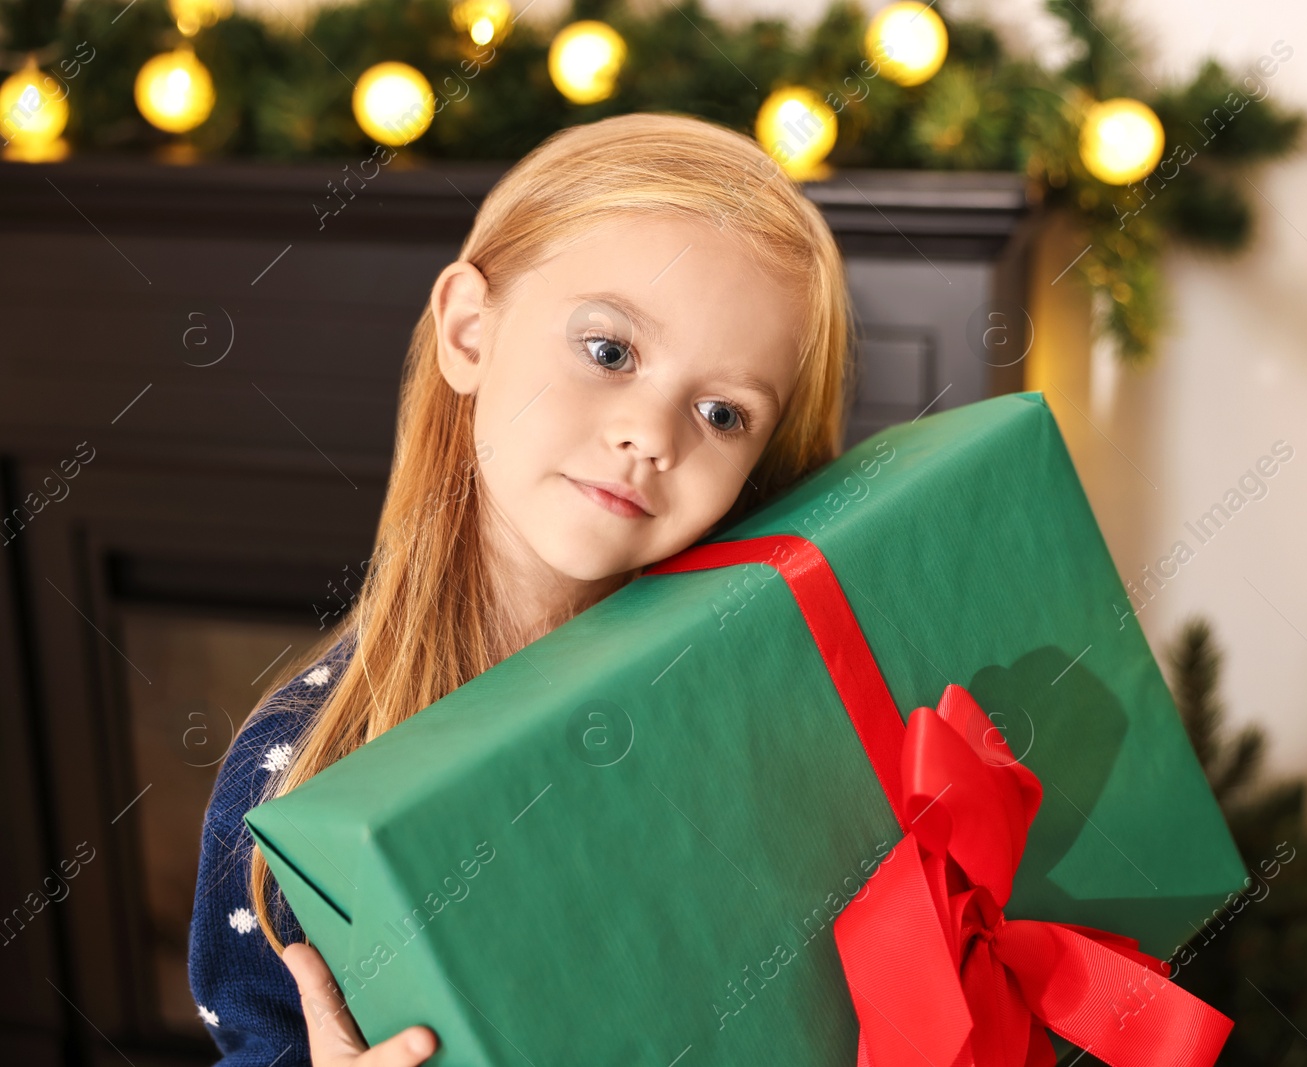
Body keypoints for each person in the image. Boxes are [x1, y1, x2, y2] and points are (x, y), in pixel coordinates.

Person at [188, 111, 854, 1067]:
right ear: (468, 330)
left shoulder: (743, 714)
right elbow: (260, 1038)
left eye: (722, 412)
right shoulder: (300, 769)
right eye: (610, 352)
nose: (652, 435)